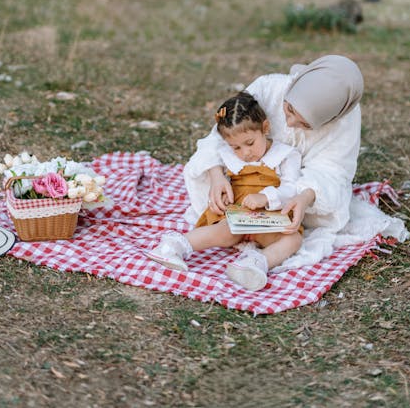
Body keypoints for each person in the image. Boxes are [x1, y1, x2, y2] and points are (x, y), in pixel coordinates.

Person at [184, 54, 367, 268]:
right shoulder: (269, 88)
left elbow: (333, 171)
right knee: (225, 221)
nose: (289, 122)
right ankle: (180, 244)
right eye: (289, 109)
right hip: (242, 184)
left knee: (296, 234)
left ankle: (256, 264)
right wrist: (216, 176)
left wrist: (305, 197)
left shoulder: (344, 122)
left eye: (306, 124)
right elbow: (221, 136)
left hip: (291, 194)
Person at [145, 91, 302, 291]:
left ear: (265, 128)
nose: (245, 153)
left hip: (270, 217)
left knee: (293, 239)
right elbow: (206, 160)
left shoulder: (286, 155)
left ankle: (255, 264)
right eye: (235, 147)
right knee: (225, 232)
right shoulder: (228, 156)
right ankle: (173, 246)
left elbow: (292, 187)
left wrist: (266, 196)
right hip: (238, 215)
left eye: (250, 143)